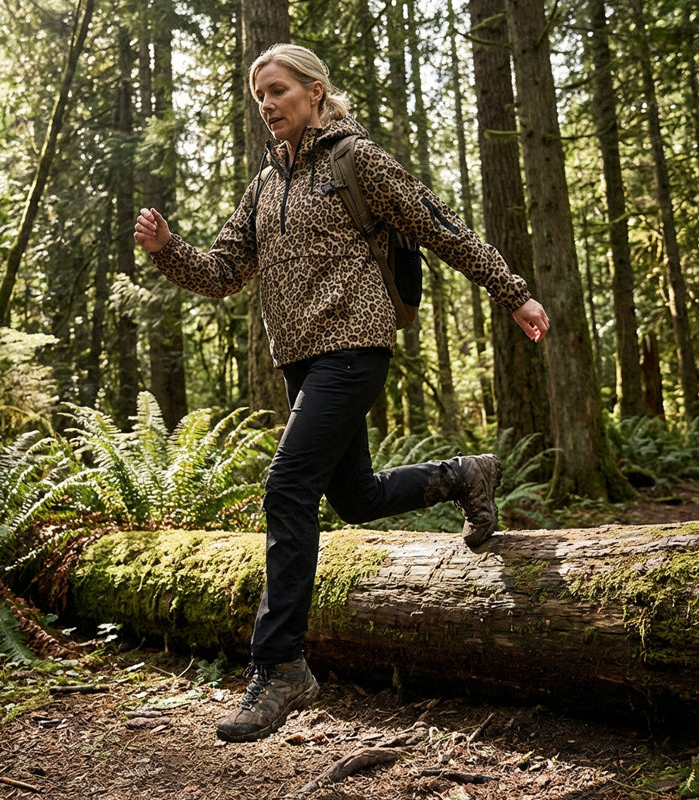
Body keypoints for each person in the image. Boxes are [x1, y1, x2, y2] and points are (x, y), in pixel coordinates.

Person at [134, 42, 549, 744]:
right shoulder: (266, 182)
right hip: (300, 361)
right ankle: (464, 475)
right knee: (351, 496)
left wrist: (514, 294)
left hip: (354, 346)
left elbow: (441, 225)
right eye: (258, 95)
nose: (266, 104)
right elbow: (224, 271)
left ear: (316, 92)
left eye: (278, 90)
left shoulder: (359, 161)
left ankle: (280, 664)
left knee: (286, 487)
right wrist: (168, 249)